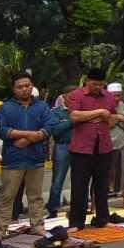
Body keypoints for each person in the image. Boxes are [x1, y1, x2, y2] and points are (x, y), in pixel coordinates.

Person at [0, 73, 53, 237]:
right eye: (20, 87)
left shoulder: (42, 106)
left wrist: (28, 139)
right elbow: (1, 130)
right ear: (14, 89)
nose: (24, 89)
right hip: (13, 159)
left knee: (35, 197)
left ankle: (37, 226)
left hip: (36, 158)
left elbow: (49, 127)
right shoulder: (5, 108)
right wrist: (29, 134)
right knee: (7, 197)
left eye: (27, 85)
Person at [65, 68, 116, 230]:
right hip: (81, 147)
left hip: (103, 145)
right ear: (87, 81)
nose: (97, 87)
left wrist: (102, 120)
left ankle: (103, 218)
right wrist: (99, 113)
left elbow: (112, 117)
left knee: (102, 184)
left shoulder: (108, 96)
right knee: (79, 185)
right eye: (94, 84)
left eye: (101, 84)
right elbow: (74, 116)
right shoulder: (76, 95)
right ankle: (76, 222)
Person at [46, 86, 75, 218]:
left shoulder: (82, 110)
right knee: (57, 180)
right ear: (64, 97)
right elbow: (55, 130)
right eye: (70, 96)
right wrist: (71, 121)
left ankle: (78, 207)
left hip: (79, 147)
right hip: (62, 146)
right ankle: (53, 209)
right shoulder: (56, 112)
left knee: (80, 180)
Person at [107, 83, 124, 207]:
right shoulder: (102, 108)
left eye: (118, 96)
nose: (116, 99)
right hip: (106, 145)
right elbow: (104, 125)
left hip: (123, 144)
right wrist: (118, 118)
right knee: (105, 173)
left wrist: (118, 120)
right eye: (113, 96)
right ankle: (98, 203)